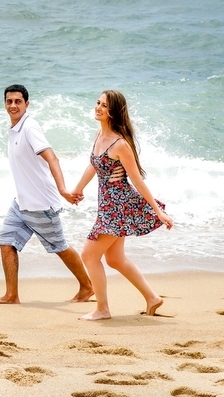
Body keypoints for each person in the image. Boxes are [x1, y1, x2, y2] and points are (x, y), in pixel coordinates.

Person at [71, 90, 173, 320]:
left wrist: (158, 212)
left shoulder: (120, 144)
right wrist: (78, 189)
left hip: (118, 207)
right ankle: (152, 298)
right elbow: (94, 165)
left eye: (104, 105)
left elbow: (137, 180)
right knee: (115, 259)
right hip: (107, 206)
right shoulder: (99, 135)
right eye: (98, 102)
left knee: (89, 255)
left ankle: (102, 309)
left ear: (114, 112)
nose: (98, 107)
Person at [0, 85, 93, 304]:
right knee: (6, 242)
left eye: (18, 101)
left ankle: (87, 287)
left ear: (27, 104)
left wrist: (63, 190)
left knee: (60, 247)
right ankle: (11, 295)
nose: (13, 105)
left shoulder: (29, 127)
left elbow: (52, 158)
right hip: (21, 203)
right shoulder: (15, 128)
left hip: (41, 204)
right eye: (9, 101)